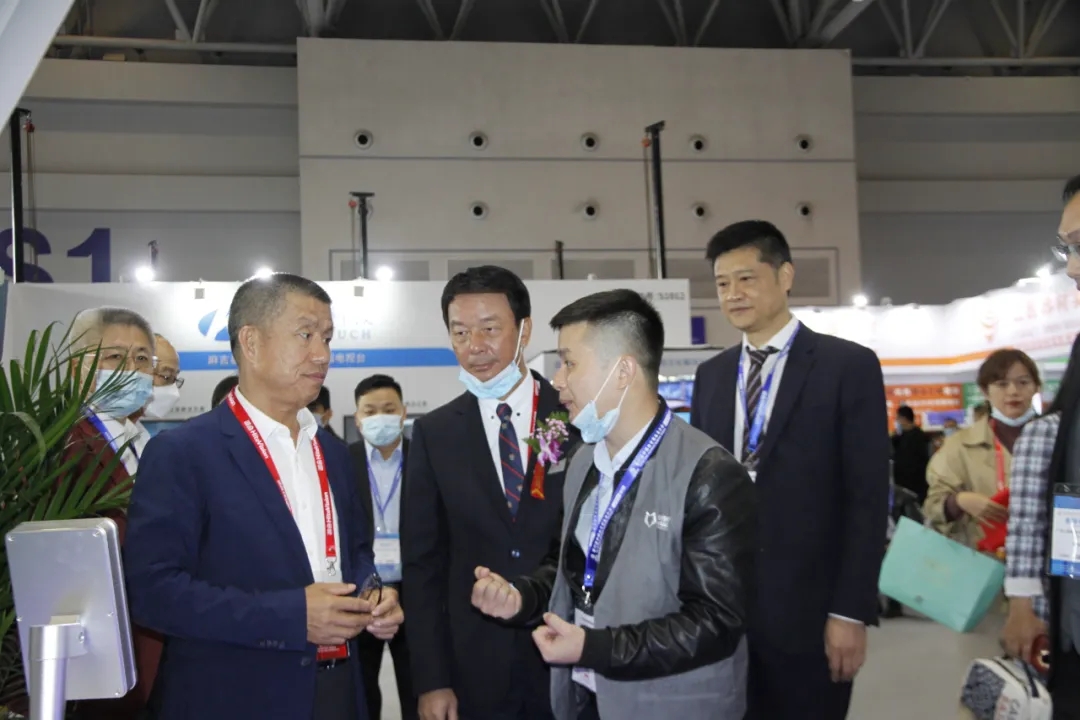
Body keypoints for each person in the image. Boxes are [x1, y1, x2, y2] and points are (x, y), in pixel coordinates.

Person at [124, 273, 404, 720]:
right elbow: (153, 592)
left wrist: (372, 592)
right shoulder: (184, 453)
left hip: (338, 690)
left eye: (327, 337)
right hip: (235, 696)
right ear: (251, 342)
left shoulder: (333, 453)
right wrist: (291, 616)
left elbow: (354, 552)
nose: (323, 354)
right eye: (306, 335)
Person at [471, 289, 756, 720]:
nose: (557, 381)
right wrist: (521, 598)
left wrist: (594, 647)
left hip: (672, 705)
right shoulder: (583, 462)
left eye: (569, 363)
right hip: (588, 697)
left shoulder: (708, 474)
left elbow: (716, 621)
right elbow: (568, 568)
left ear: (623, 371)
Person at [690, 220, 889, 720]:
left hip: (811, 613)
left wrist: (849, 611)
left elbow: (867, 498)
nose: (733, 294)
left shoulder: (847, 367)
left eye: (746, 278)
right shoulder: (711, 376)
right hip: (724, 615)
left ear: (785, 276)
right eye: (722, 283)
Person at [403, 265, 575, 720]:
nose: (474, 347)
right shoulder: (435, 433)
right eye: (460, 332)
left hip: (568, 653)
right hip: (475, 665)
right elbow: (423, 566)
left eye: (490, 329)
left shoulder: (572, 415)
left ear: (524, 331)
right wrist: (432, 680)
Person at [64, 307, 161, 720]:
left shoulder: (146, 441)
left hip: (153, 643)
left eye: (142, 358)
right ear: (78, 368)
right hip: (97, 652)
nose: (131, 369)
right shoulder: (64, 442)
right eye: (115, 357)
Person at [924, 348, 1041, 549]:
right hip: (981, 558)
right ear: (985, 391)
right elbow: (931, 507)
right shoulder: (959, 445)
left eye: (1023, 382)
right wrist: (959, 501)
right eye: (1002, 384)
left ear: (1036, 387)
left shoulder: (1057, 439)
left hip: (1044, 555)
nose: (1013, 391)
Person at [350, 374, 417, 720]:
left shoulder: (424, 457)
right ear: (358, 418)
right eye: (370, 411)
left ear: (403, 413)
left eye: (389, 410)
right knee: (360, 691)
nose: (380, 418)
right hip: (361, 590)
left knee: (417, 686)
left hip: (416, 589)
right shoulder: (342, 461)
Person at [891, 405, 930, 503]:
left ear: (904, 419)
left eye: (898, 418)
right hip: (901, 485)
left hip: (916, 486)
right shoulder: (899, 438)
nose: (897, 421)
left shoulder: (919, 437)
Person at [142, 333, 184, 420]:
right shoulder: (112, 425)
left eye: (175, 379)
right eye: (166, 376)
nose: (175, 393)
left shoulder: (134, 427)